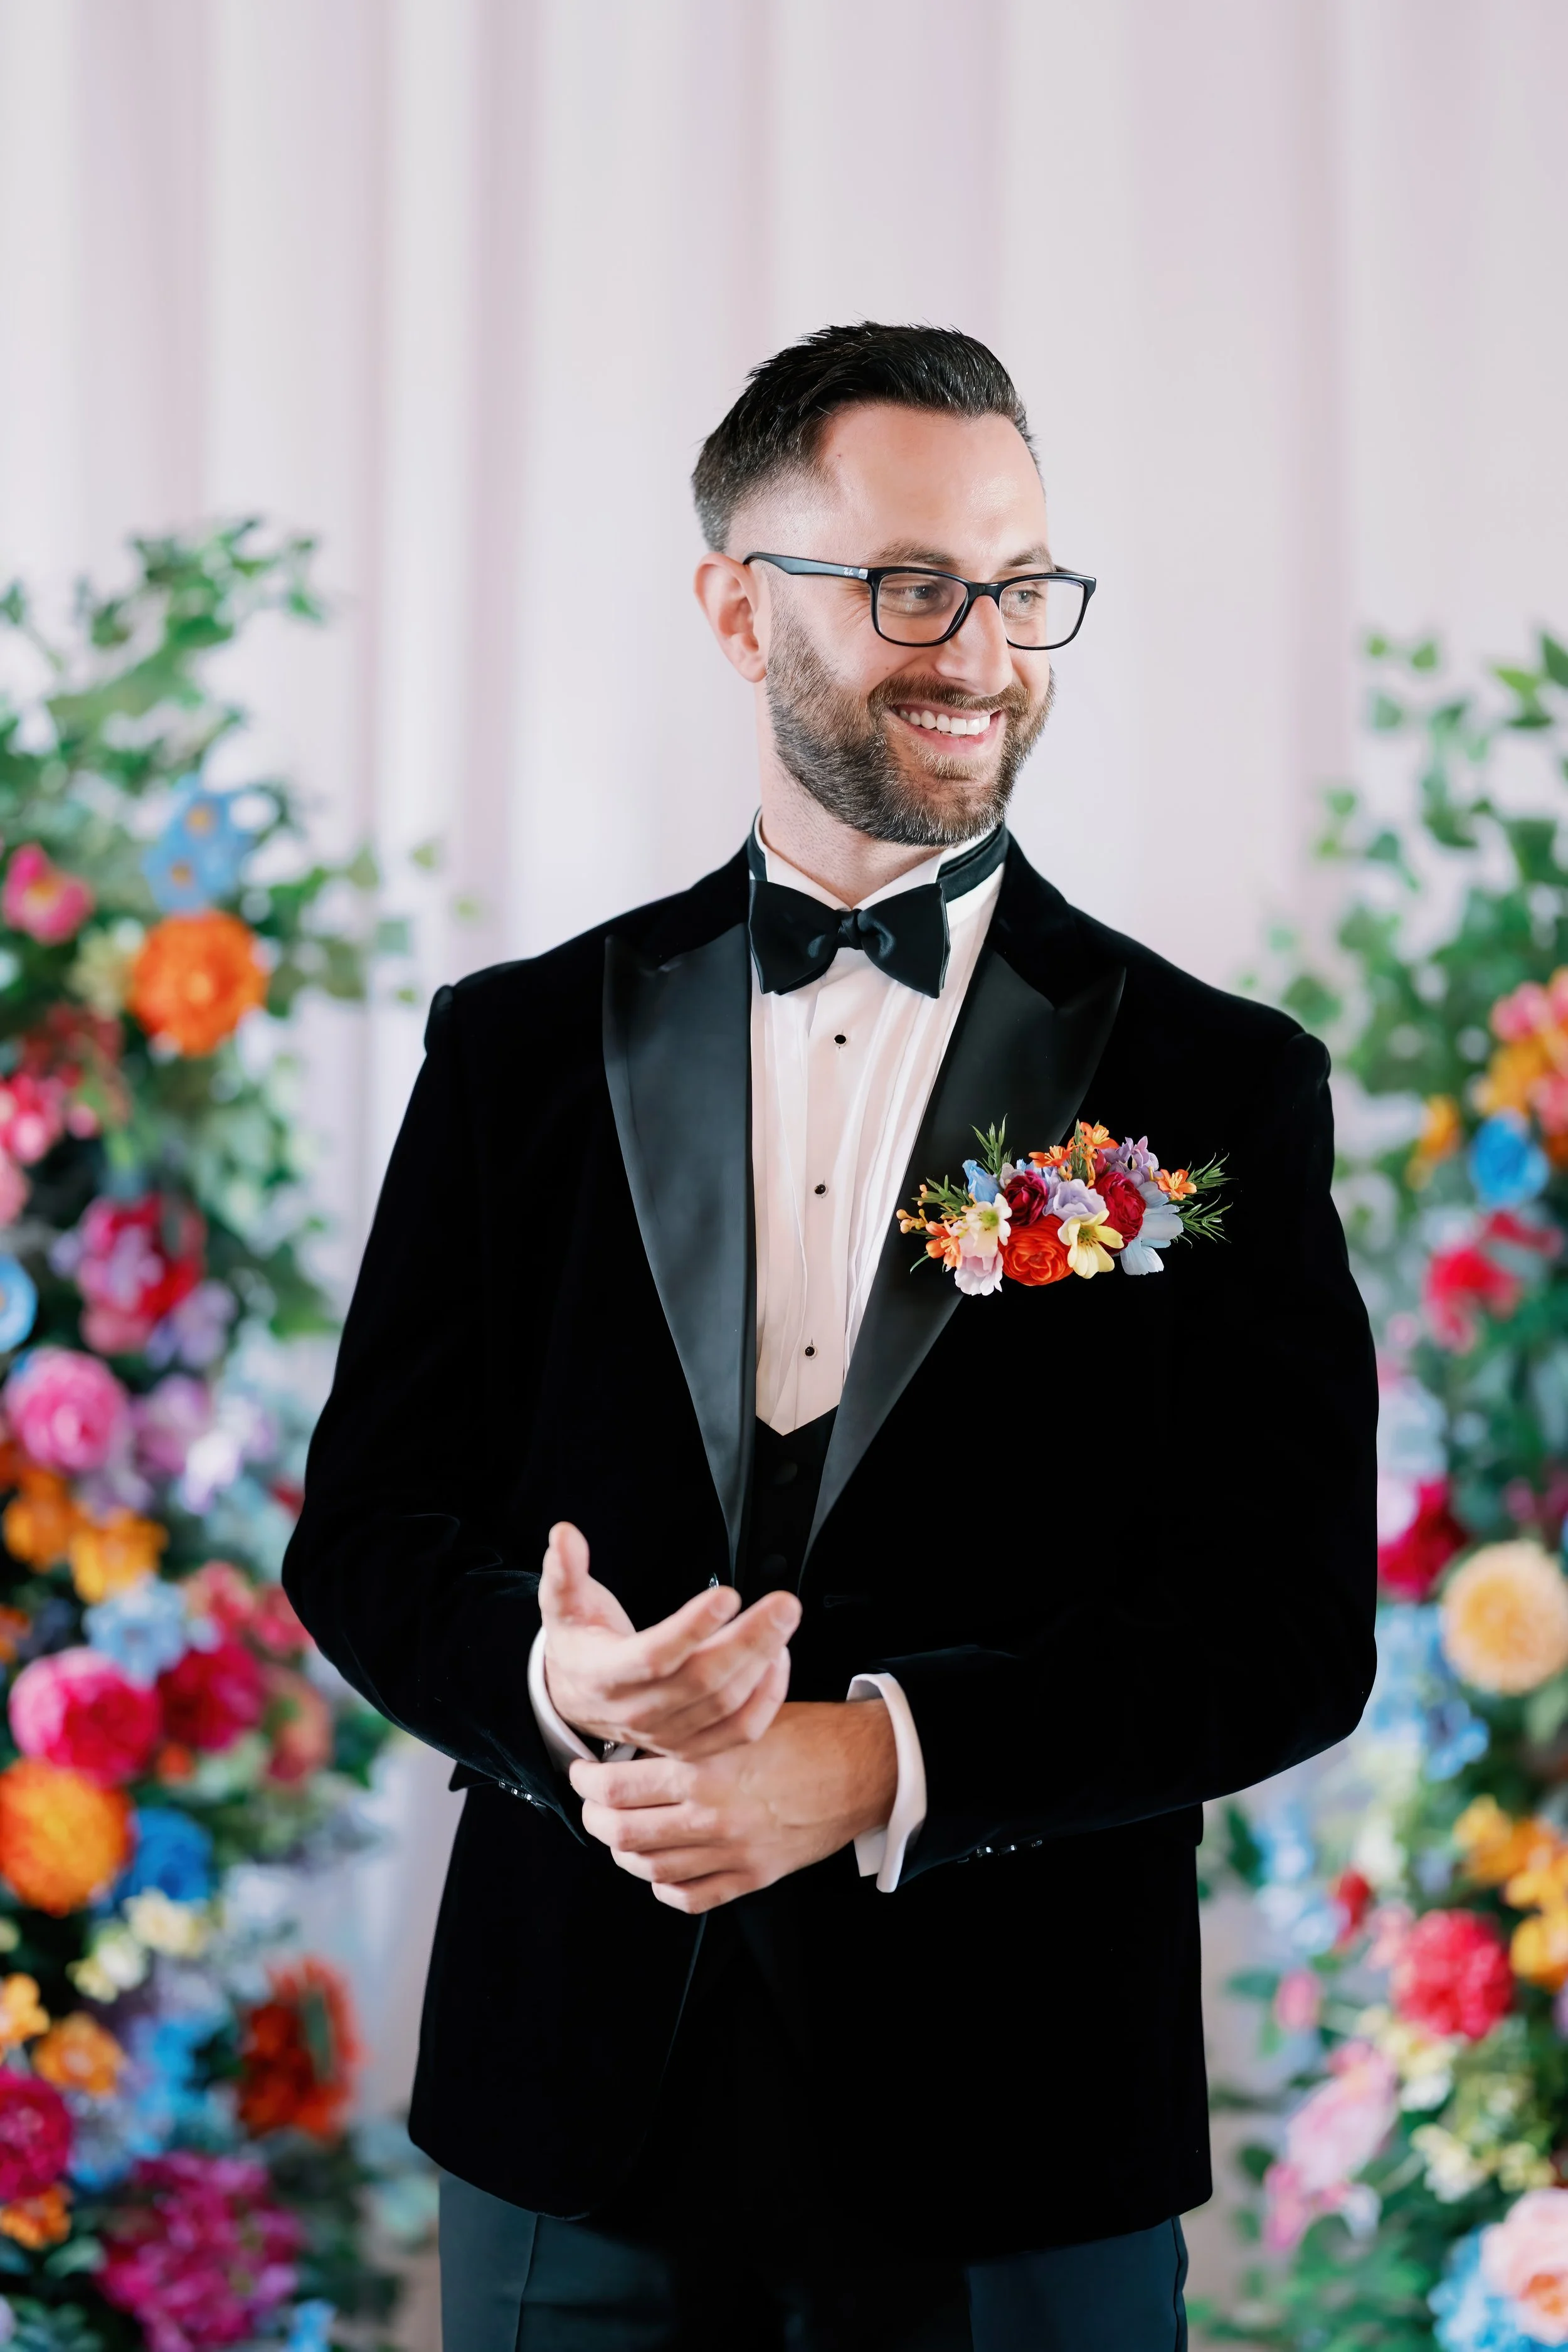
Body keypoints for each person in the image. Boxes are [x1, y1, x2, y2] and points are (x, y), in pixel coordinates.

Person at [282, 322, 1377, 2351]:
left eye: (1020, 584)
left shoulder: (1219, 1083)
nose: (980, 649)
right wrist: (555, 1681)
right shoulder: (517, 1048)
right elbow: (359, 1534)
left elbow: (1289, 1633)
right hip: (567, 2112)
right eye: (906, 584)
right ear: (733, 604)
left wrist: (873, 1759)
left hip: (1019, 2123)